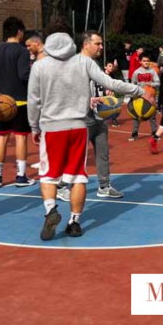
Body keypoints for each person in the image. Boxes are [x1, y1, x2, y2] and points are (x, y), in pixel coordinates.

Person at [27, 30, 150, 241]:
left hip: (52, 126)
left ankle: (50, 210)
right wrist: (139, 91)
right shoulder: (82, 63)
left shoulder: (41, 65)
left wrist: (34, 126)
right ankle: (74, 222)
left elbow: (34, 100)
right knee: (78, 176)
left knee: (48, 174)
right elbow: (111, 84)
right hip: (77, 126)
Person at [57, 31, 128, 203]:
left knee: (103, 153)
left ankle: (104, 186)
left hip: (98, 116)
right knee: (77, 155)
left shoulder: (94, 63)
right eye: (98, 43)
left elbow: (95, 84)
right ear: (86, 44)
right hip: (82, 117)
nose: (101, 47)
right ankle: (61, 186)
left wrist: (105, 92)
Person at [0, 16, 35, 188]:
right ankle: (21, 176)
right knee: (21, 138)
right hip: (19, 101)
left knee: (2, 138)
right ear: (19, 31)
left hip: (0, 101)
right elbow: (24, 75)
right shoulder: (21, 51)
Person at [129, 53, 160, 141]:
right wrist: (134, 95)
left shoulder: (153, 71)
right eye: (144, 61)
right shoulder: (136, 72)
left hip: (150, 97)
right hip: (140, 97)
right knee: (137, 116)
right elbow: (133, 85)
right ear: (140, 62)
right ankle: (134, 133)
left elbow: (158, 83)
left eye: (147, 61)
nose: (146, 63)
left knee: (152, 115)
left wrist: (151, 84)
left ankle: (154, 133)